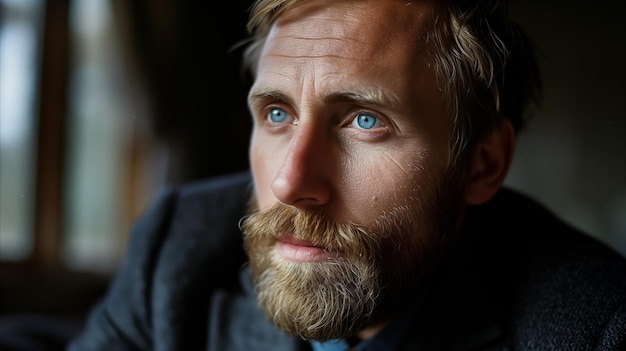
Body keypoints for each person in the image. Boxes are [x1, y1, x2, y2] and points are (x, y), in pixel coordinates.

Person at [66, 0, 626, 349]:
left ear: (482, 164)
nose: (289, 184)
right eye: (277, 114)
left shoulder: (597, 327)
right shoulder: (177, 252)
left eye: (364, 120)